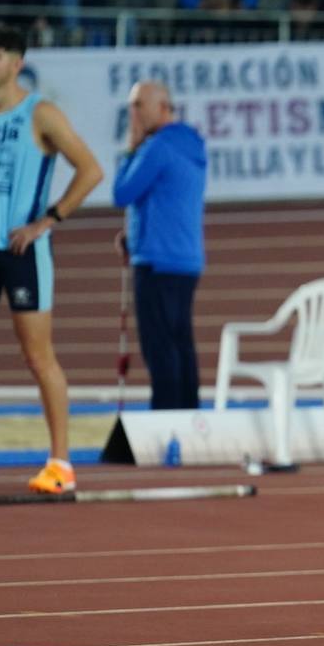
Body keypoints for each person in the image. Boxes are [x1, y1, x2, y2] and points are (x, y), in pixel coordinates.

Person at [0, 23, 103, 493]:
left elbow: (91, 170)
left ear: (16, 63)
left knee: (37, 357)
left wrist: (46, 221)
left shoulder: (40, 114)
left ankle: (61, 464)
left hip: (23, 255)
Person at [112, 80, 206, 411]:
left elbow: (122, 193)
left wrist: (131, 147)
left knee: (160, 347)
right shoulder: (191, 143)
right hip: (185, 259)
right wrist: (135, 234)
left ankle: (166, 420)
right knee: (180, 343)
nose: (132, 113)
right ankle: (188, 418)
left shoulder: (156, 148)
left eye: (138, 105)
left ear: (162, 107)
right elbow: (165, 197)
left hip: (156, 261)